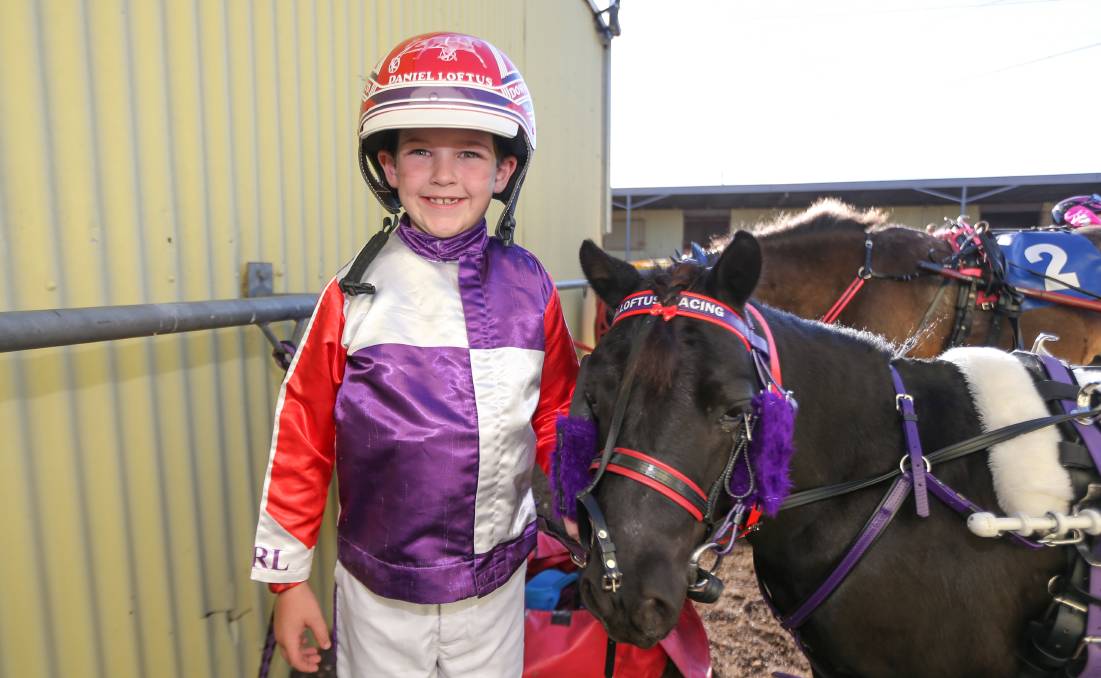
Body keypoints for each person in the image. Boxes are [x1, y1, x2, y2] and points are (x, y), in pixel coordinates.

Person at [250, 32, 578, 676]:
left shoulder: (534, 288)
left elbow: (556, 418)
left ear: (504, 170)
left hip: (497, 592)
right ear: (390, 166)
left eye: (470, 153)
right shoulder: (350, 297)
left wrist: (576, 516)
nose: (445, 174)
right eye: (421, 150)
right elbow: (302, 441)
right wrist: (287, 585)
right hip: (378, 600)